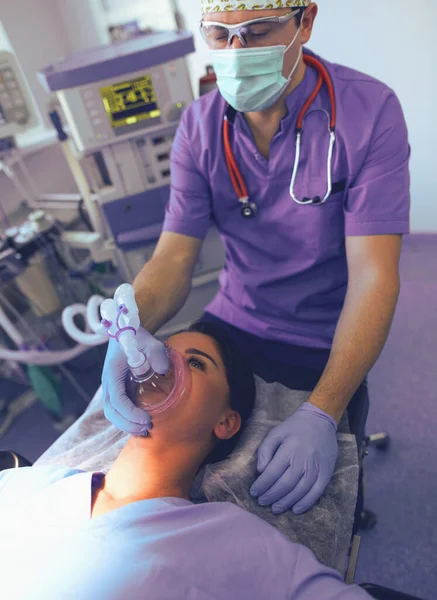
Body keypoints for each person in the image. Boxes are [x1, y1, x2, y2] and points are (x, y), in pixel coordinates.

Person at [102, 0, 410, 516]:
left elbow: (374, 278)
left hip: (326, 332)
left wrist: (324, 410)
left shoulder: (369, 112)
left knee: (322, 498)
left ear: (305, 22)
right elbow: (175, 258)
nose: (237, 51)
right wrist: (129, 327)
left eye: (258, 31)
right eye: (220, 36)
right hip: (231, 319)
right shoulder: (200, 127)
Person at [0, 322, 370, 600]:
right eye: (161, 349)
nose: (163, 363)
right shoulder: (31, 484)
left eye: (195, 363)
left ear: (225, 421)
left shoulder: (234, 542)